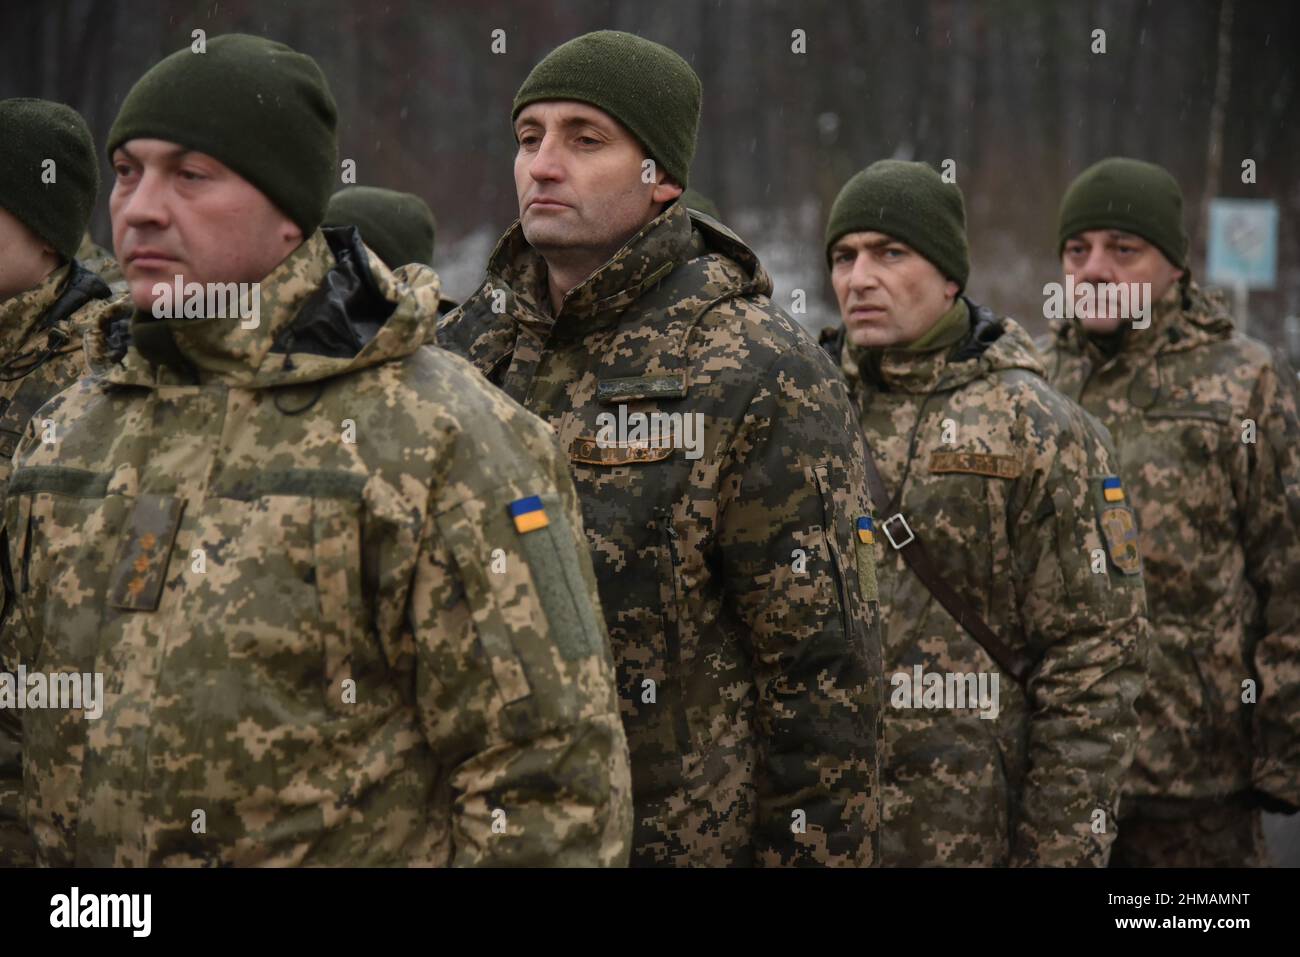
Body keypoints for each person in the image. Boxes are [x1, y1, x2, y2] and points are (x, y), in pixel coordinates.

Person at [0, 33, 632, 868]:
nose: (141, 208)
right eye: (126, 171)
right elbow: (17, 736)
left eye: (192, 175)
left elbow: (552, 788)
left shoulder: (444, 436)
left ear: (290, 209)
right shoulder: (68, 429)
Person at [440, 30, 883, 867]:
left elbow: (824, 685)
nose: (541, 164)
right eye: (528, 137)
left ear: (662, 179)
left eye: (585, 139)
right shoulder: (463, 354)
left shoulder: (758, 369)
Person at [820, 159, 1148, 865]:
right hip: (821, 832)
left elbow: (1096, 662)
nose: (860, 278)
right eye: (844, 256)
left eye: (890, 252)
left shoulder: (1040, 425)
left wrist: (1061, 849)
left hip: (972, 832)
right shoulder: (801, 411)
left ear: (949, 276)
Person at [1039, 156, 1300, 866]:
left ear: (1176, 267)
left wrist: (1284, 749)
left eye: (1123, 249)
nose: (1093, 269)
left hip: (1199, 783)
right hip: (1058, 783)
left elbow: (1290, 570)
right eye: (1076, 250)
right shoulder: (1031, 381)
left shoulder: (1245, 381)